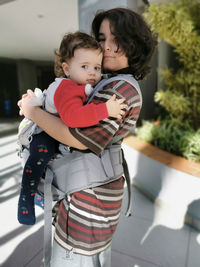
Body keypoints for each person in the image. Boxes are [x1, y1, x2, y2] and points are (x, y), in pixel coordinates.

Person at [18, 7, 157, 267]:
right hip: (83, 195)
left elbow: (78, 138)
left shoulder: (121, 88)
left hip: (86, 208)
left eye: (116, 38)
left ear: (134, 43)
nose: (107, 46)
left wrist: (32, 112)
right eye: (102, 38)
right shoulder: (103, 80)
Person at [17, 31, 127, 225]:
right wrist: (106, 109)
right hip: (44, 129)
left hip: (54, 124)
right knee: (41, 155)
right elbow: (74, 118)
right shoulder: (68, 88)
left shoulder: (83, 84)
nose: (92, 72)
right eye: (85, 66)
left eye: (97, 67)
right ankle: (27, 196)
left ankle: (43, 193)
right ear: (67, 69)